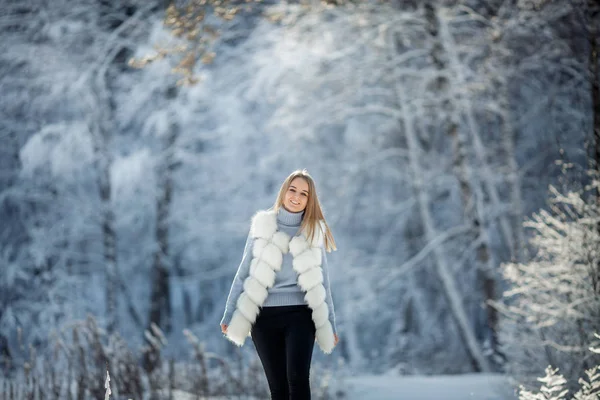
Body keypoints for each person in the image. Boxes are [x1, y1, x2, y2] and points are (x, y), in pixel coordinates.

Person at [220, 169, 339, 400]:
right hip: (263, 318)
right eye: (292, 190)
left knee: (298, 379)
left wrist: (330, 324)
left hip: (300, 316)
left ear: (309, 200)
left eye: (303, 193)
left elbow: (323, 281)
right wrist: (229, 313)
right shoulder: (262, 226)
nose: (296, 196)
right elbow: (243, 272)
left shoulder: (313, 231)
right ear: (284, 192)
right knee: (278, 389)